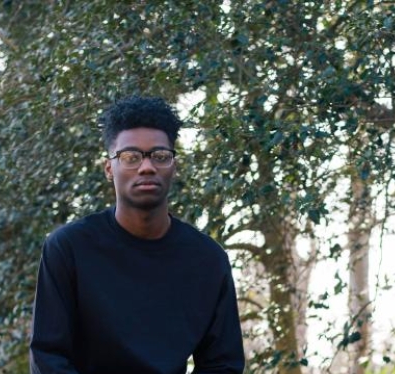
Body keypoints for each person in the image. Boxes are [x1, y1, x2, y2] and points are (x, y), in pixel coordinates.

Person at [29, 96, 245, 373]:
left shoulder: (208, 260)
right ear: (110, 168)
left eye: (160, 156)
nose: (147, 167)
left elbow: (223, 365)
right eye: (130, 157)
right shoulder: (68, 248)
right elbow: (48, 357)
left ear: (173, 166)